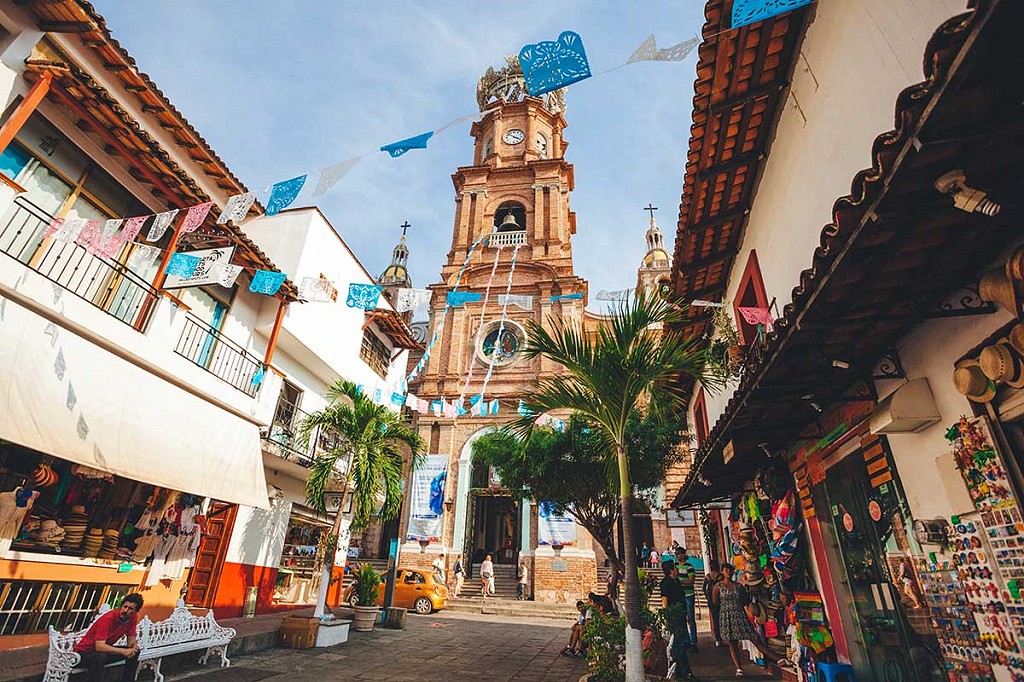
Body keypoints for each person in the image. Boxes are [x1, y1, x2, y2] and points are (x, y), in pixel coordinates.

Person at [74, 593, 143, 682]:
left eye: (130, 609)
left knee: (135, 653)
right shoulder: (108, 619)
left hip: (102, 652)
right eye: (124, 606)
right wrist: (123, 651)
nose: (125, 610)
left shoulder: (132, 618)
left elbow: (131, 640)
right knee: (100, 657)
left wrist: (134, 647)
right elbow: (99, 647)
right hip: (83, 653)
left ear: (135, 611)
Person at [713, 564, 757, 677]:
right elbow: (715, 601)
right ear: (722, 572)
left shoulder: (738, 586)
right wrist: (726, 608)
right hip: (726, 614)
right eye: (725, 570)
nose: (728, 572)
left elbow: (743, 599)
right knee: (732, 642)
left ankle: (774, 658)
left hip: (739, 613)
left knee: (753, 637)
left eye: (730, 570)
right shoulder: (718, 586)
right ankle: (739, 668)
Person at [660, 561, 695, 680]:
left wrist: (686, 614)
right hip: (674, 615)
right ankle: (685, 671)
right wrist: (666, 617)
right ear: (671, 570)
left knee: (682, 642)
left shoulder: (677, 581)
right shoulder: (665, 583)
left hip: (681, 614)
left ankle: (680, 670)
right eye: (675, 567)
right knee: (680, 643)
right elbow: (665, 601)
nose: (677, 569)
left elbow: (682, 598)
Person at [674, 546, 698, 651]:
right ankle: (686, 640)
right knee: (682, 619)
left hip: (688, 595)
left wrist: (679, 582)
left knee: (691, 618)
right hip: (679, 595)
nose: (677, 555)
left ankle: (693, 641)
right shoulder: (675, 566)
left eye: (679, 553)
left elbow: (691, 580)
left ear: (683, 554)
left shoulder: (689, 567)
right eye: (676, 554)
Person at [702, 560, 724, 647]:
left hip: (711, 599)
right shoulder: (720, 576)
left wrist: (707, 596)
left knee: (715, 619)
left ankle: (718, 639)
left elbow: (704, 588)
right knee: (722, 618)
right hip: (720, 598)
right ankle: (723, 637)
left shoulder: (707, 576)